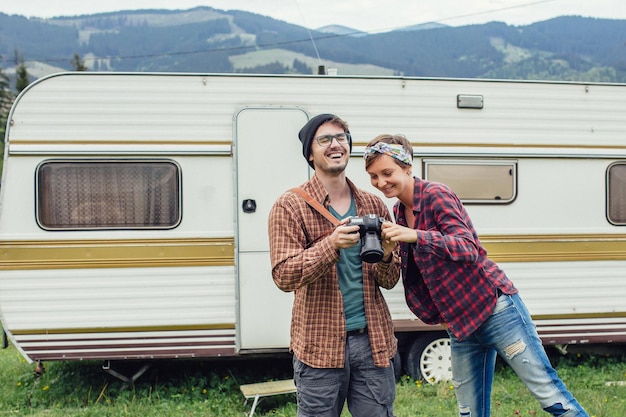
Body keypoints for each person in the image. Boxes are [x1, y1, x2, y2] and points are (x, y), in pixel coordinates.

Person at [362, 134, 590, 417]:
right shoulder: (398, 211)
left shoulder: (435, 195)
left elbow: (468, 247)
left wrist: (417, 235)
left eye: (387, 173)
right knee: (469, 411)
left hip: (496, 310)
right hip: (460, 324)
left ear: (407, 167)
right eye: (373, 176)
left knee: (549, 395)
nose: (381, 182)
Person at [268, 114, 401, 417]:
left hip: (373, 342)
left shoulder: (374, 205)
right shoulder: (290, 205)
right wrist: (331, 245)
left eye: (341, 137)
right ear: (310, 154)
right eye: (324, 139)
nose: (335, 144)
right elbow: (284, 275)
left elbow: (391, 280)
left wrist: (386, 255)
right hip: (319, 347)